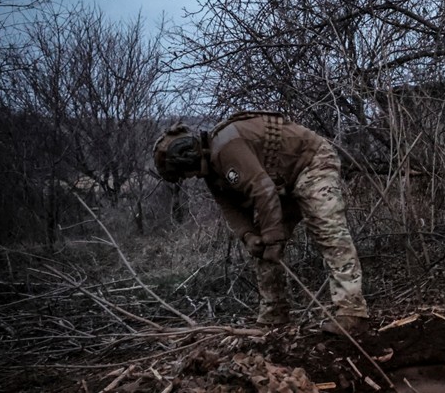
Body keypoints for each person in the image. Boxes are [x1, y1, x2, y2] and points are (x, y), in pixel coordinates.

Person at [153, 111, 368, 334]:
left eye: (183, 173)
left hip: (311, 162)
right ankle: (274, 315)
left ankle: (352, 313)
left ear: (184, 157)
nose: (189, 177)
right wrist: (249, 235)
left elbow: (263, 191)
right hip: (281, 182)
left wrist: (273, 238)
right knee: (263, 249)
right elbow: (231, 208)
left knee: (329, 230)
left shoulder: (226, 148)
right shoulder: (212, 171)